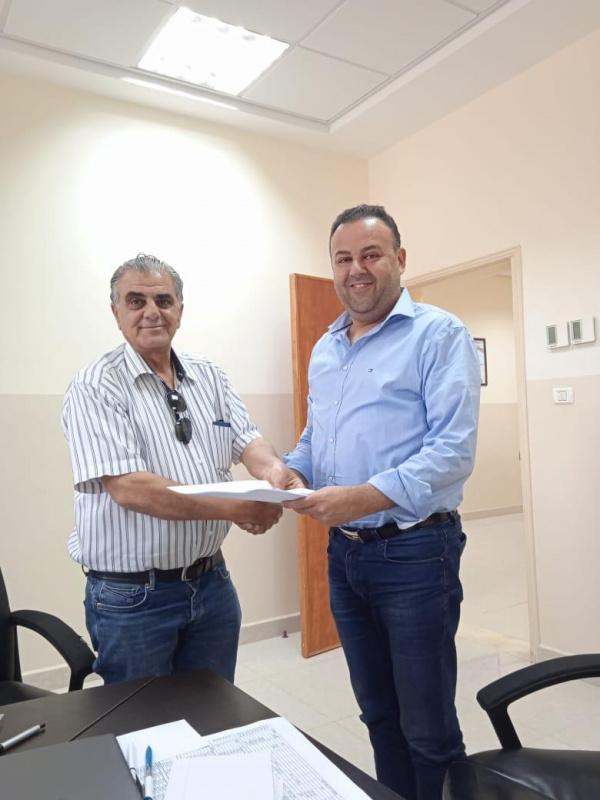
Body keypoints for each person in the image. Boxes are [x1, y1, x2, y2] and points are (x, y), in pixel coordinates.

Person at [281, 205, 481, 800]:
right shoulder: (326, 347)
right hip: (344, 557)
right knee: (378, 716)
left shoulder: (438, 334)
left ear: (400, 259)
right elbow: (317, 438)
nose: (356, 270)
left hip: (415, 554)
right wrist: (291, 472)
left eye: (371, 255)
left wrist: (365, 496)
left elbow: (453, 451)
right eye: (343, 258)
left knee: (428, 730)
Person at [62, 254, 294, 685]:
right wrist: (235, 508)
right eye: (136, 301)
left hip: (211, 584)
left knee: (214, 712)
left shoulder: (210, 376)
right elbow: (130, 488)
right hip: (133, 598)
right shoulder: (95, 386)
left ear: (180, 311)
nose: (152, 312)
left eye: (164, 300)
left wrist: (276, 472)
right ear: (116, 313)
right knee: (144, 721)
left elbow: (247, 440)